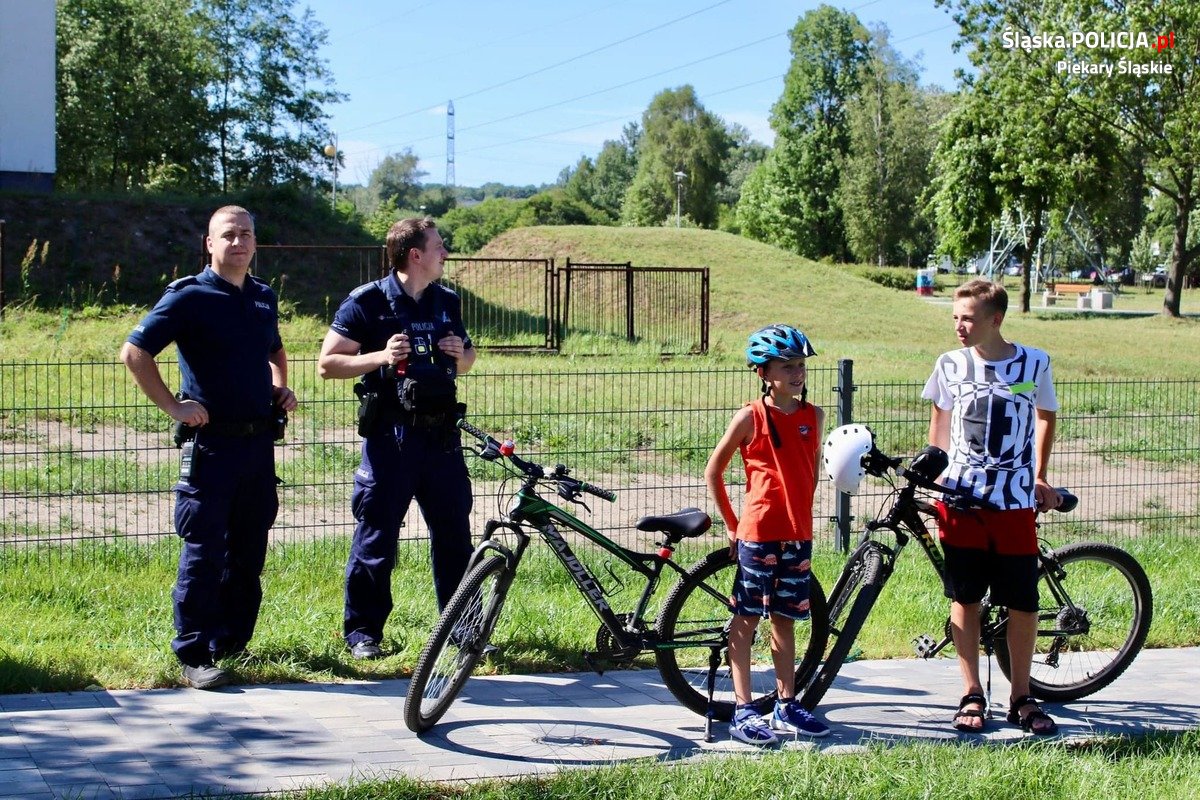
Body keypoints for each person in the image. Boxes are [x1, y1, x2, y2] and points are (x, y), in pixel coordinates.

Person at [121, 205, 297, 691]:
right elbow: (134, 353)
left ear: (255, 243)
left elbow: (274, 350)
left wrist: (281, 387)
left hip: (259, 445)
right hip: (212, 448)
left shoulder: (263, 297)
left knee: (248, 547)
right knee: (204, 549)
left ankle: (232, 643)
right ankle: (194, 651)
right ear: (210, 243)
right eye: (229, 235)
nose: (239, 242)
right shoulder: (189, 296)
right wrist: (174, 407)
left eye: (246, 234)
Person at [318, 217, 476, 660]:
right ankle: (363, 633)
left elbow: (468, 357)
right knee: (377, 535)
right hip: (392, 439)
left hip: (442, 440)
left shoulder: (447, 301)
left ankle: (462, 630)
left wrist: (458, 356)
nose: (445, 254)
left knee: (454, 537)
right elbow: (327, 364)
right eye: (439, 246)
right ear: (415, 255)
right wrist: (380, 357)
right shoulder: (367, 302)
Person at [922, 278, 1062, 735]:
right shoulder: (949, 364)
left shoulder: (1035, 362)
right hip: (962, 502)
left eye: (969, 319)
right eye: (955, 318)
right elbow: (938, 424)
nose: (960, 327)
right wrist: (935, 476)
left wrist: (1040, 475)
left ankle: (1021, 696)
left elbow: (1046, 415)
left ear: (996, 319)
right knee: (965, 599)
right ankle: (971, 694)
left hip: (1015, 503)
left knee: (1022, 602)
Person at [704, 323, 831, 745]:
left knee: (786, 619)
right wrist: (731, 524)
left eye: (800, 365)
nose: (797, 373)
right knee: (745, 620)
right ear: (763, 372)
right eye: (786, 366)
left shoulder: (815, 416)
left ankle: (786, 702)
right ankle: (742, 709)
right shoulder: (750, 417)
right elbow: (714, 471)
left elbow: (809, 474)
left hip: (798, 535)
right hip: (758, 534)